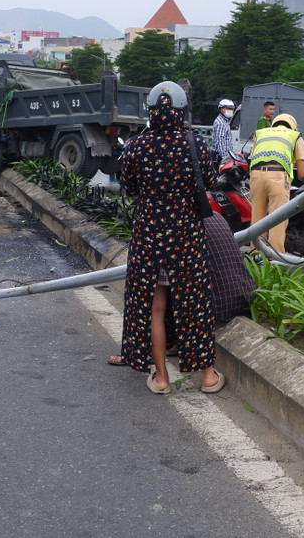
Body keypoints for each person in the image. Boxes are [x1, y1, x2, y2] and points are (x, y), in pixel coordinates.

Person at [118, 80, 223, 394]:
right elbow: (210, 181)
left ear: (150, 110)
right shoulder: (195, 144)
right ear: (182, 110)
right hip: (185, 236)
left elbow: (129, 186)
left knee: (155, 309)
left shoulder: (135, 146)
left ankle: (162, 378)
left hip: (149, 236)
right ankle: (208, 377)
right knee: (194, 305)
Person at [248, 111, 304, 254]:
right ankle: (275, 259)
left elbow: (253, 156)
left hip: (256, 175)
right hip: (277, 176)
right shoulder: (295, 135)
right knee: (278, 220)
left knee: (257, 219)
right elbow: (302, 174)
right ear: (293, 126)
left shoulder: (260, 133)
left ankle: (255, 258)